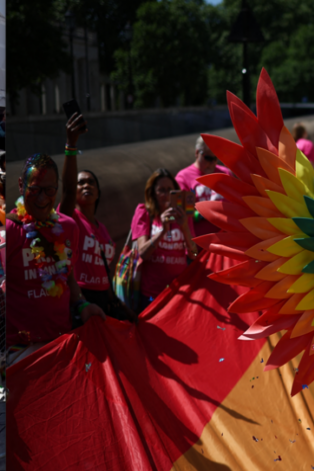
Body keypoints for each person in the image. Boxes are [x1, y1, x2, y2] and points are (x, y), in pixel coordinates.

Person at [6, 153, 105, 364]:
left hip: (62, 343)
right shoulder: (10, 230)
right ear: (21, 185)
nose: (42, 198)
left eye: (49, 190)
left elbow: (67, 276)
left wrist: (81, 305)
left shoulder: (68, 227)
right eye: (34, 189)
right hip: (21, 351)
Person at [57, 113, 131, 322]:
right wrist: (71, 145)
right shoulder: (71, 218)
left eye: (91, 182)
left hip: (104, 299)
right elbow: (68, 190)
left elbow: (105, 274)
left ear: (98, 192)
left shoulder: (103, 230)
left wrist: (121, 306)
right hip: (80, 297)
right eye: (81, 183)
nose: (86, 185)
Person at [130, 169, 198, 314]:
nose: (166, 195)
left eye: (170, 190)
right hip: (151, 294)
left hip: (179, 293)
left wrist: (184, 226)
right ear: (153, 193)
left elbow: (194, 254)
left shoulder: (185, 215)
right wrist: (162, 231)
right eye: (161, 190)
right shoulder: (144, 213)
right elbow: (142, 253)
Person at [174, 136, 233, 237]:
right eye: (208, 158)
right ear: (197, 153)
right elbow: (181, 216)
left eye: (215, 158)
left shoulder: (225, 173)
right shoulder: (183, 178)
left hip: (227, 239)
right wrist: (205, 214)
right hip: (200, 243)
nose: (212, 163)